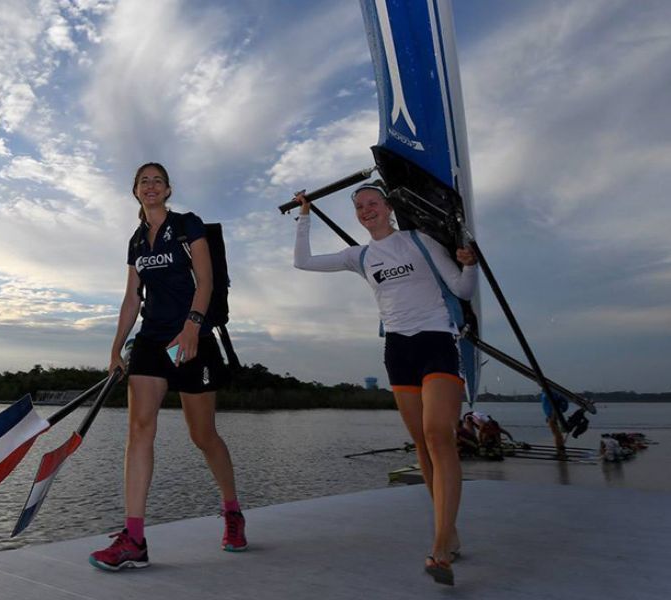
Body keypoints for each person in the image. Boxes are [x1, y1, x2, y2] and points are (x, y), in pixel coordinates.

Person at [292, 183, 477, 585]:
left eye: (373, 203)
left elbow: (462, 290)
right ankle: (451, 530)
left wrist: (469, 264)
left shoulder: (420, 242)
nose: (366, 210)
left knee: (438, 435)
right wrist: (304, 214)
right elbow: (303, 262)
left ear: (389, 207)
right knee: (422, 446)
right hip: (398, 351)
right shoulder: (359, 256)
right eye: (359, 207)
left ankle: (440, 546)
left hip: (437, 342)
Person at [89, 162, 246, 571]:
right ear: (135, 192)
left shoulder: (187, 225)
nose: (151, 185)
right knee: (139, 429)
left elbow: (206, 281)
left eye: (158, 180)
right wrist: (115, 348)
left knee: (203, 435)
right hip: (152, 342)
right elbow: (131, 299)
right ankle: (134, 538)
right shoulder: (136, 242)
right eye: (144, 181)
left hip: (191, 340)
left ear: (168, 189)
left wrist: (193, 326)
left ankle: (232, 512)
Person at [540, 391, 569, 457]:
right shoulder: (545, 392)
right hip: (550, 415)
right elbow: (547, 405)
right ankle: (561, 450)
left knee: (556, 434)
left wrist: (553, 414)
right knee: (557, 433)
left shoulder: (552, 393)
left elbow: (558, 402)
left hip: (553, 415)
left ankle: (560, 452)